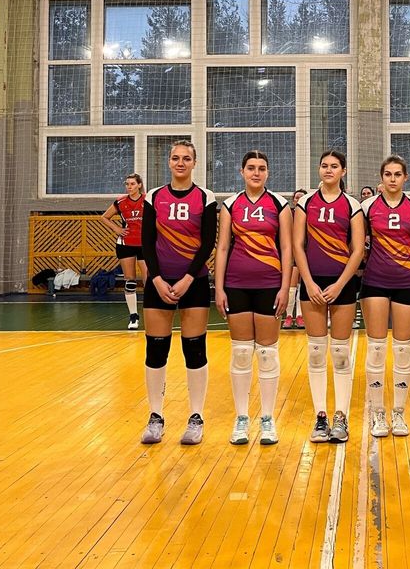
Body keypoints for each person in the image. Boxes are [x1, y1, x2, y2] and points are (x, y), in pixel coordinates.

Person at [139, 141, 217, 446]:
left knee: (194, 349)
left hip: (193, 283)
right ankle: (155, 417)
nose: (180, 162)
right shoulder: (153, 196)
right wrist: (157, 279)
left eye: (186, 158)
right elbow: (146, 242)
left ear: (195, 163)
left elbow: (207, 244)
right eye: (175, 158)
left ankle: (196, 417)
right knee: (156, 350)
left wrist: (187, 279)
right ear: (169, 162)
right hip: (159, 283)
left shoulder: (205, 197)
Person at [215, 150, 293, 446]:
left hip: (269, 285)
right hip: (236, 284)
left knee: (267, 353)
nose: (256, 173)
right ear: (242, 172)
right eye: (251, 168)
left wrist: (285, 288)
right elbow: (223, 247)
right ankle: (241, 418)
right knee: (241, 352)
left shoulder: (279, 204)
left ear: (268, 172)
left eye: (261, 168)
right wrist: (218, 287)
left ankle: (268, 418)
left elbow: (287, 248)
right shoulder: (230, 205)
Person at [293, 152, 366, 444]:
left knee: (339, 352)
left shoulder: (352, 205)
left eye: (334, 166)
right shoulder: (305, 203)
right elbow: (298, 244)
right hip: (312, 283)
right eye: (324, 165)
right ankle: (320, 416)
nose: (328, 170)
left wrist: (339, 285)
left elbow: (357, 250)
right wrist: (308, 282)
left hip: (342, 284)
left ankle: (341, 416)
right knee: (315, 351)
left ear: (343, 171)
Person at [360, 155, 410, 438]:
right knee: (376, 348)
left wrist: (402, 259)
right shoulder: (367, 206)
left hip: (406, 282)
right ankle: (378, 412)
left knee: (402, 349)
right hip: (374, 282)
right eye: (387, 174)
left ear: (405, 177)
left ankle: (398, 413)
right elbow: (359, 244)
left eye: (397, 174)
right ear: (381, 177)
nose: (392, 178)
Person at [100, 173, 148, 330]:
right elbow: (104, 217)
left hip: (144, 244)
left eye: (132, 184)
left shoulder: (148, 199)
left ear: (139, 185)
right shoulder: (121, 202)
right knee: (130, 280)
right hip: (126, 243)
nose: (129, 187)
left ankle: (150, 313)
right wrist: (117, 229)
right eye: (127, 184)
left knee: (149, 281)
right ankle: (133, 317)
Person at [284, 188, 308, 329]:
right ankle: (288, 316)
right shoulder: (289, 215)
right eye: (297, 197)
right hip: (292, 254)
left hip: (307, 253)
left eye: (302, 197)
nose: (299, 199)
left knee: (302, 285)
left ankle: (300, 316)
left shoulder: (310, 215)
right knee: (291, 287)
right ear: (293, 200)